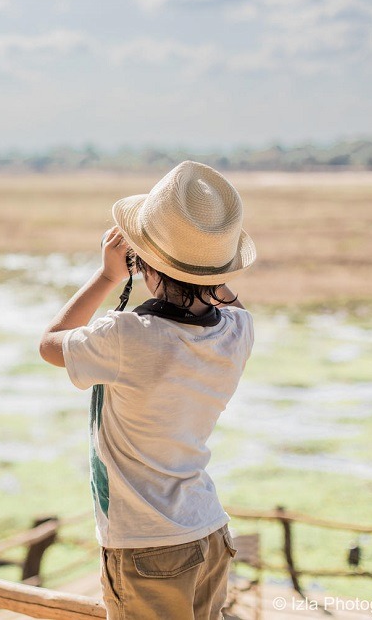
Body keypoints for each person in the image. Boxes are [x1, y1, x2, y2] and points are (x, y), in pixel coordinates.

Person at [38, 161, 256, 619]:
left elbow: (50, 344)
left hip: (146, 545)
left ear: (146, 265)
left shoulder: (126, 336)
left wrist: (107, 276)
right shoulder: (237, 331)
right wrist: (200, 261)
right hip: (209, 529)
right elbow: (224, 297)